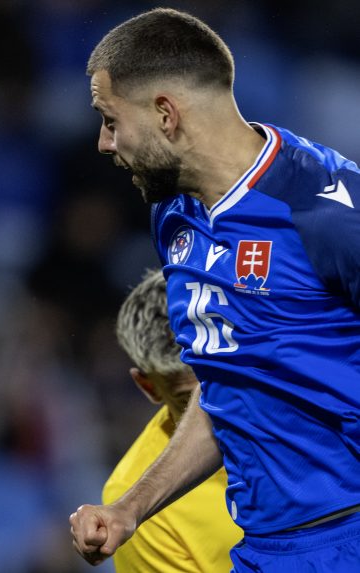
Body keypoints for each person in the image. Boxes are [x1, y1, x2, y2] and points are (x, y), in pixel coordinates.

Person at [70, 7, 360, 571]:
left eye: (109, 118)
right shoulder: (173, 214)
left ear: (164, 114)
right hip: (268, 546)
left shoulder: (325, 215)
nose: (104, 143)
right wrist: (131, 510)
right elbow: (228, 378)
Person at [106, 268, 241, 571]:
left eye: (221, 383)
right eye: (187, 398)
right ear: (148, 386)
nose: (209, 407)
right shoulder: (134, 506)